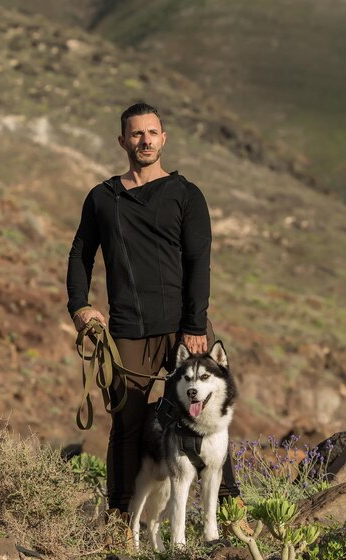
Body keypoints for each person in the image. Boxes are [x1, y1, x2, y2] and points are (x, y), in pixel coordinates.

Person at [67, 102, 239, 515]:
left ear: (163, 138)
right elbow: (79, 254)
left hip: (184, 326)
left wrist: (195, 324)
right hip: (126, 330)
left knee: (209, 415)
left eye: (152, 133)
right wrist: (81, 307)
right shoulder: (102, 199)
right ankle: (121, 516)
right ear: (123, 140)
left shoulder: (186, 195)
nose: (144, 140)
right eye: (136, 134)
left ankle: (232, 514)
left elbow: (200, 261)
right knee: (126, 425)